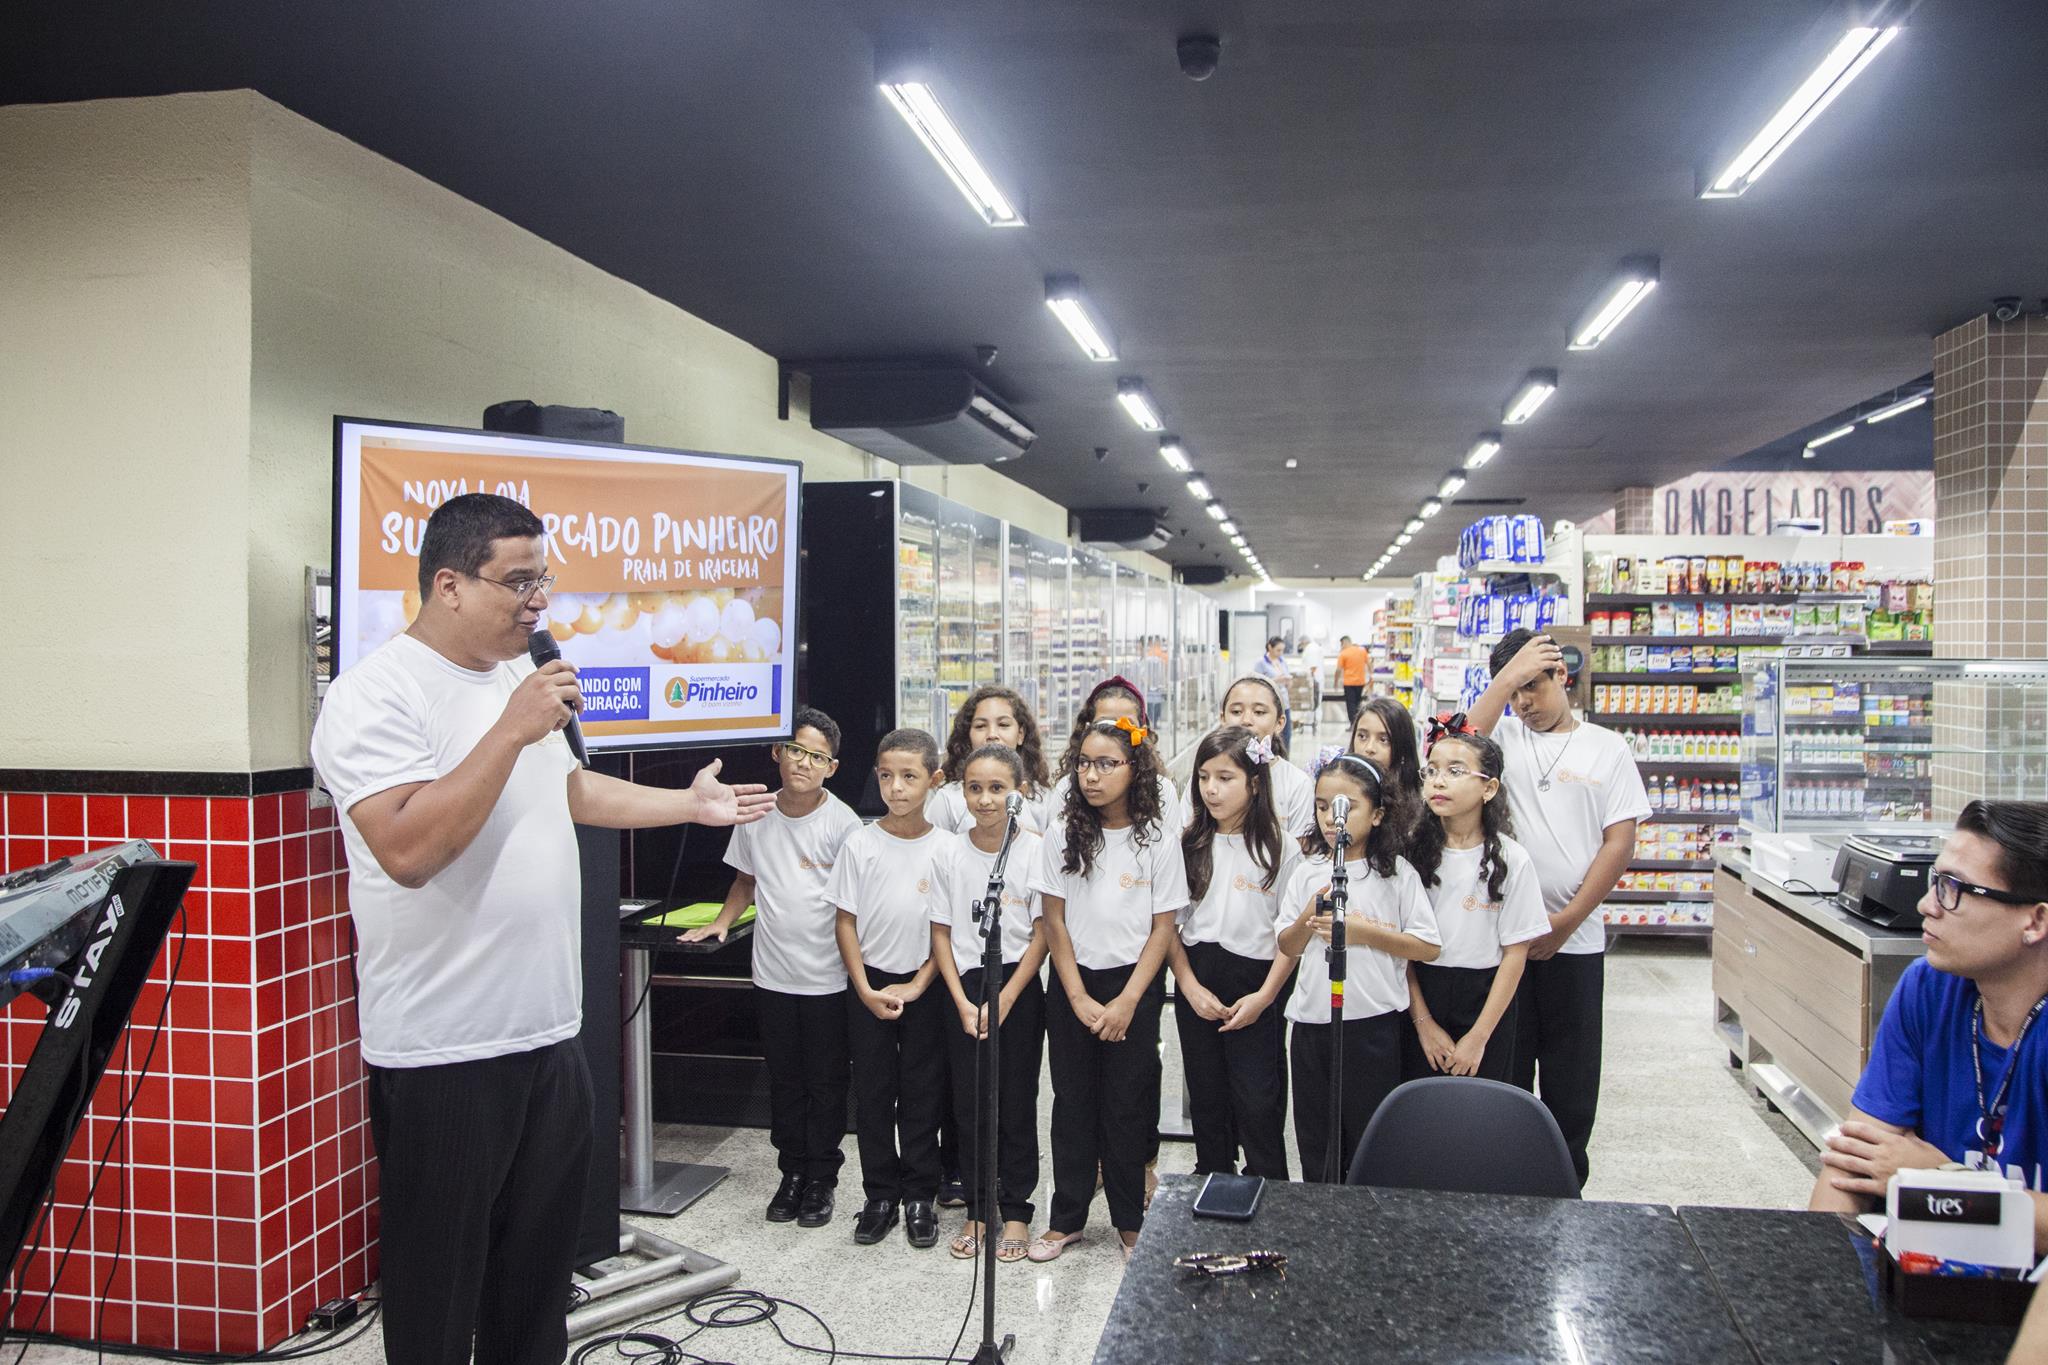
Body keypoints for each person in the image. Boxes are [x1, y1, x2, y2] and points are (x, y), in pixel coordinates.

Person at [310, 492, 774, 1365]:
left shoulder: (508, 683)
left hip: (551, 1032)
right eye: (517, 581)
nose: (538, 602)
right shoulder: (376, 694)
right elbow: (408, 847)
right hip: (444, 1048)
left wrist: (689, 804)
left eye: (544, 580)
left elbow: (569, 791)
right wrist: (512, 727)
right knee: (438, 1291)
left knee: (534, 1287)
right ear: (448, 584)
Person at [1810, 801, 2048, 1250]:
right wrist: (1819, 1287)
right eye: (1934, 881)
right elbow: (1854, 1160)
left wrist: (1940, 1180)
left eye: (1953, 889)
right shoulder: (1929, 987)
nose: (1926, 905)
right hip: (1928, 1279)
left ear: (2035, 920)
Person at [1469, 630, 1649, 1190]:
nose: (1524, 702)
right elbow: (1460, 739)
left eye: (1533, 686)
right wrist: (1504, 679)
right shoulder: (1503, 745)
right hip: (1506, 944)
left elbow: (1619, 843)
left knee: (1572, 1084)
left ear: (1561, 678)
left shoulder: (1607, 748)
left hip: (1577, 943)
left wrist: (1566, 921)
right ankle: (1507, 1183)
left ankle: (1567, 1188)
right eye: (1514, 690)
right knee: (1508, 1076)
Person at [683, 706, 863, 1228]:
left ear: (831, 767)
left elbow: (857, 905)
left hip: (829, 978)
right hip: (773, 976)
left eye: (817, 756)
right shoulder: (756, 812)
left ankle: (822, 1179)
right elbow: (745, 880)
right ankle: (792, 1174)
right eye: (796, 751)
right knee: (784, 1080)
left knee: (826, 1083)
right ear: (777, 753)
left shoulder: (844, 823)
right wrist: (722, 922)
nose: (803, 763)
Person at [1030, 716, 1187, 1262]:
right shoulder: (1061, 833)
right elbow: (1053, 920)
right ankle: (1066, 1218)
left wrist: (1126, 1001)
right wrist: (1074, 997)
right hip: (1073, 981)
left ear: (1134, 769)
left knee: (1125, 1106)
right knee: (1071, 1103)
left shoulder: (1157, 840)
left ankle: (1128, 1221)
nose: (1091, 776)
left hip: (1133, 986)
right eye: (1084, 764)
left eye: (1106, 764)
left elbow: (1163, 928)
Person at [1276, 754, 1440, 1183]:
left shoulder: (1396, 874)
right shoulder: (1306, 871)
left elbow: (1427, 946)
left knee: (1369, 1138)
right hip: (1313, 1024)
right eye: (1323, 806)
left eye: (1347, 807)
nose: (1333, 819)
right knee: (1316, 1138)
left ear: (1379, 813)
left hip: (1372, 1027)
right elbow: (1286, 945)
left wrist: (1364, 933)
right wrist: (1308, 915)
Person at [828, 728, 950, 1249]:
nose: (895, 788)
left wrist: (921, 982)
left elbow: (947, 931)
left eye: (909, 777)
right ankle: (879, 1193)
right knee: (874, 1092)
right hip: (870, 984)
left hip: (928, 981)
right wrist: (863, 987)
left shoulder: (947, 848)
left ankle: (921, 1193)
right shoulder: (860, 842)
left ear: (934, 781)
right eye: (885, 776)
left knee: (923, 1091)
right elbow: (845, 923)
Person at [928, 743, 1050, 1265]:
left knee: (1016, 1102)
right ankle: (979, 1208)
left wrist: (1004, 998)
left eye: (997, 788)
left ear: (1019, 793)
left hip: (1017, 986)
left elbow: (1043, 932)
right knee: (970, 1103)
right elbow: (941, 931)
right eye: (974, 788)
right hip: (963, 986)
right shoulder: (949, 851)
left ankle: (1017, 1209)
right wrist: (960, 999)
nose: (984, 799)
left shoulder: (1037, 850)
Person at [1171, 726, 1301, 1180]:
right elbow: (1169, 923)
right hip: (1199, 974)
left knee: (1258, 1093)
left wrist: (1265, 997)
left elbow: (1292, 933)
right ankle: (1212, 1172)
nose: (1211, 788)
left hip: (1258, 981)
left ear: (1255, 782)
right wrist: (1187, 985)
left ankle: (1266, 1177)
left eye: (1225, 777)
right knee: (1205, 1088)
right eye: (1204, 776)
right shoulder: (1189, 843)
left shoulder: (1281, 848)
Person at [1403, 720, 1548, 1084]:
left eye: (1455, 771)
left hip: (1487, 1000)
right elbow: (1399, 948)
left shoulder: (1513, 860)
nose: (1438, 781)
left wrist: (1479, 1037)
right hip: (1420, 994)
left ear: (1489, 788)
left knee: (1481, 1115)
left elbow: (1515, 954)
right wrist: (1423, 1023)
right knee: (1421, 1112)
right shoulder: (1409, 858)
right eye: (1431, 770)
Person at [1053, 676, 1184, 833]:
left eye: (1126, 725)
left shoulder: (1162, 791)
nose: (1114, 733)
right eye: (1104, 723)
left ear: (1142, 731)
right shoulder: (1065, 789)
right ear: (1088, 728)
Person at [931, 686, 1052, 834]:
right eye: (981, 726)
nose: (992, 734)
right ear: (968, 735)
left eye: (1003, 725)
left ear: (1020, 734)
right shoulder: (948, 799)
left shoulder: (1043, 799)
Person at [1218, 674, 1315, 838]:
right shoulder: (1206, 777)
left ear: (1279, 723)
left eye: (1259, 712)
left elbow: (1299, 855)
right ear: (1222, 719)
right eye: (1236, 711)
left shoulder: (1296, 783)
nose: (1246, 720)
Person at [1252, 637, 1294, 752]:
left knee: (1286, 735)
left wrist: (1288, 682)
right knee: (1269, 735)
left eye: (1282, 650)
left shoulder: (1282, 661)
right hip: (1268, 703)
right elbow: (1256, 683)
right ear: (1270, 647)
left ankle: (1284, 758)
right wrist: (1276, 680)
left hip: (1284, 703)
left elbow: (1287, 680)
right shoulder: (1261, 663)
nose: (1280, 653)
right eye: (1278, 650)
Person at [1336, 636, 1371, 723]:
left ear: (1344, 642)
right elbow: (1369, 664)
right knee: (1358, 703)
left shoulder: (1343, 653)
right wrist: (1371, 676)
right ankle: (1358, 722)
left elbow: (1338, 670)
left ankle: (1353, 723)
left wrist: (1336, 681)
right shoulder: (1362, 651)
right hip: (1360, 682)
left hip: (1349, 683)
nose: (1341, 646)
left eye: (1341, 644)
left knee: (1351, 704)